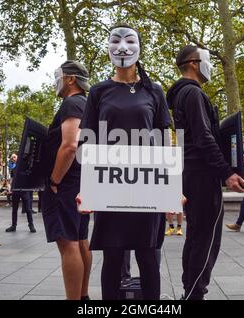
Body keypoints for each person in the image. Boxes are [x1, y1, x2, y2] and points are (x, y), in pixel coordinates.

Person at [78, 25, 172, 300]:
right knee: (112, 256)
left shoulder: (154, 91)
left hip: (147, 187)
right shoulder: (98, 92)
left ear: (140, 48)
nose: (122, 47)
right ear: (108, 48)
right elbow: (89, 142)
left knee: (148, 257)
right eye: (115, 41)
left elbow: (164, 141)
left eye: (129, 41)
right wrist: (87, 190)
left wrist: (171, 189)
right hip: (110, 186)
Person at [167, 44, 244, 300]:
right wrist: (227, 172)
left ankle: (190, 291)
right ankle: (195, 294)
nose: (210, 65)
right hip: (202, 175)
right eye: (206, 59)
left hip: (190, 174)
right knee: (206, 239)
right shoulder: (193, 94)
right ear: (193, 63)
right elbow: (203, 137)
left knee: (196, 236)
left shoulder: (182, 95)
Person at [41, 60, 92, 300]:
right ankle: (82, 297)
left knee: (68, 243)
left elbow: (70, 146)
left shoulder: (72, 103)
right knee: (81, 240)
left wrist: (54, 179)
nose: (56, 81)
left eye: (58, 76)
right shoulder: (88, 104)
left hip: (66, 183)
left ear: (71, 79)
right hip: (82, 181)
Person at [5, 154, 36, 233]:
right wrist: (10, 189)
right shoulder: (13, 169)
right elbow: (11, 180)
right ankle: (13, 225)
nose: (13, 159)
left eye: (14, 157)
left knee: (28, 209)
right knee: (14, 209)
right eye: (12, 158)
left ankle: (31, 224)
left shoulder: (25, 167)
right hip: (16, 190)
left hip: (24, 190)